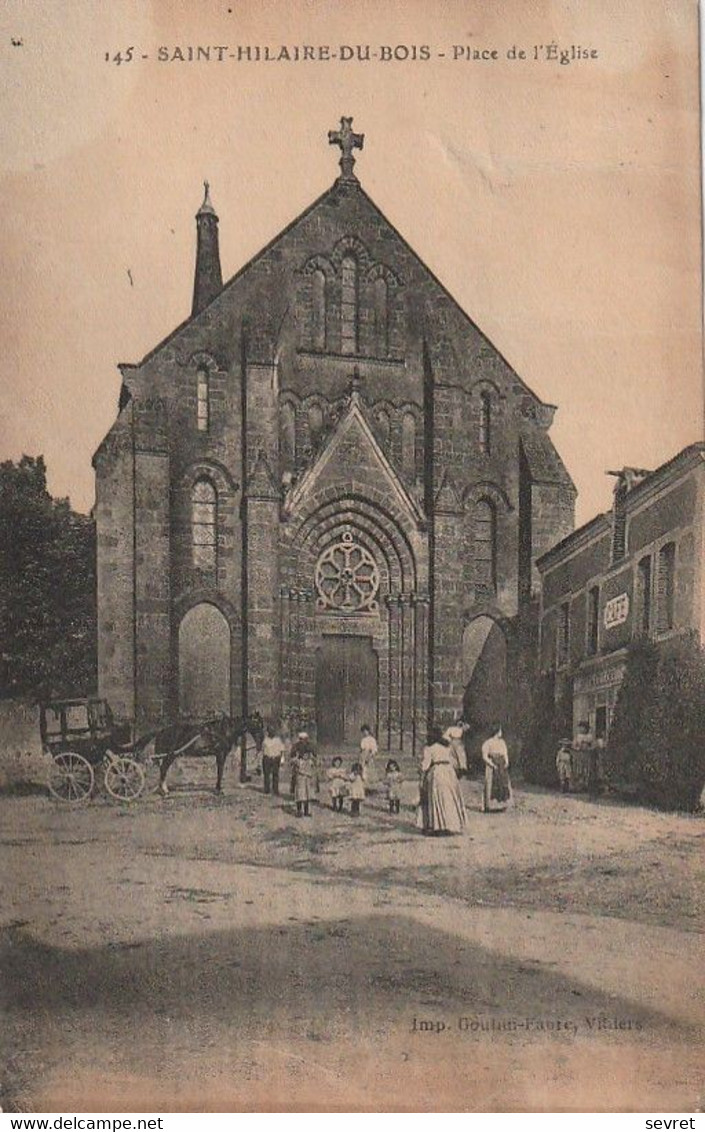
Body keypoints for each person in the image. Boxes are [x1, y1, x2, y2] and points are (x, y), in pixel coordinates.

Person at [419, 726, 466, 834]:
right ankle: (451, 824)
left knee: (438, 797)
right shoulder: (447, 746)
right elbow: (453, 760)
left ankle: (439, 825)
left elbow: (425, 765)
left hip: (437, 771)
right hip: (449, 771)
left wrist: (422, 772)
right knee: (449, 798)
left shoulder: (429, 748)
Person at [481, 724, 511, 813]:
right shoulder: (488, 742)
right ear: (497, 732)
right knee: (491, 783)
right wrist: (491, 764)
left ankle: (502, 804)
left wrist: (506, 761)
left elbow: (505, 753)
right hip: (492, 764)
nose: (501, 732)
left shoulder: (502, 742)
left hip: (501, 764)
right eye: (500, 731)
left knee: (503, 782)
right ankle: (490, 806)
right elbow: (484, 756)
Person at [290, 732, 317, 816]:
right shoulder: (298, 759)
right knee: (300, 794)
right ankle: (299, 810)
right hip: (300, 777)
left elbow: (315, 762)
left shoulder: (310, 760)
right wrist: (296, 758)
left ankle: (306, 811)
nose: (304, 741)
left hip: (308, 778)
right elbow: (292, 760)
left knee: (307, 794)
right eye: (302, 739)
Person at [261, 723, 285, 796]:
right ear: (268, 732)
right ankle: (267, 789)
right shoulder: (265, 740)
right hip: (267, 758)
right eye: (270, 731)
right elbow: (262, 750)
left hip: (276, 758)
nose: (271, 732)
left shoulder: (278, 740)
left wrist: (282, 759)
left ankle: (275, 790)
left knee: (275, 774)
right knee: (266, 774)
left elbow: (282, 750)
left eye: (272, 731)